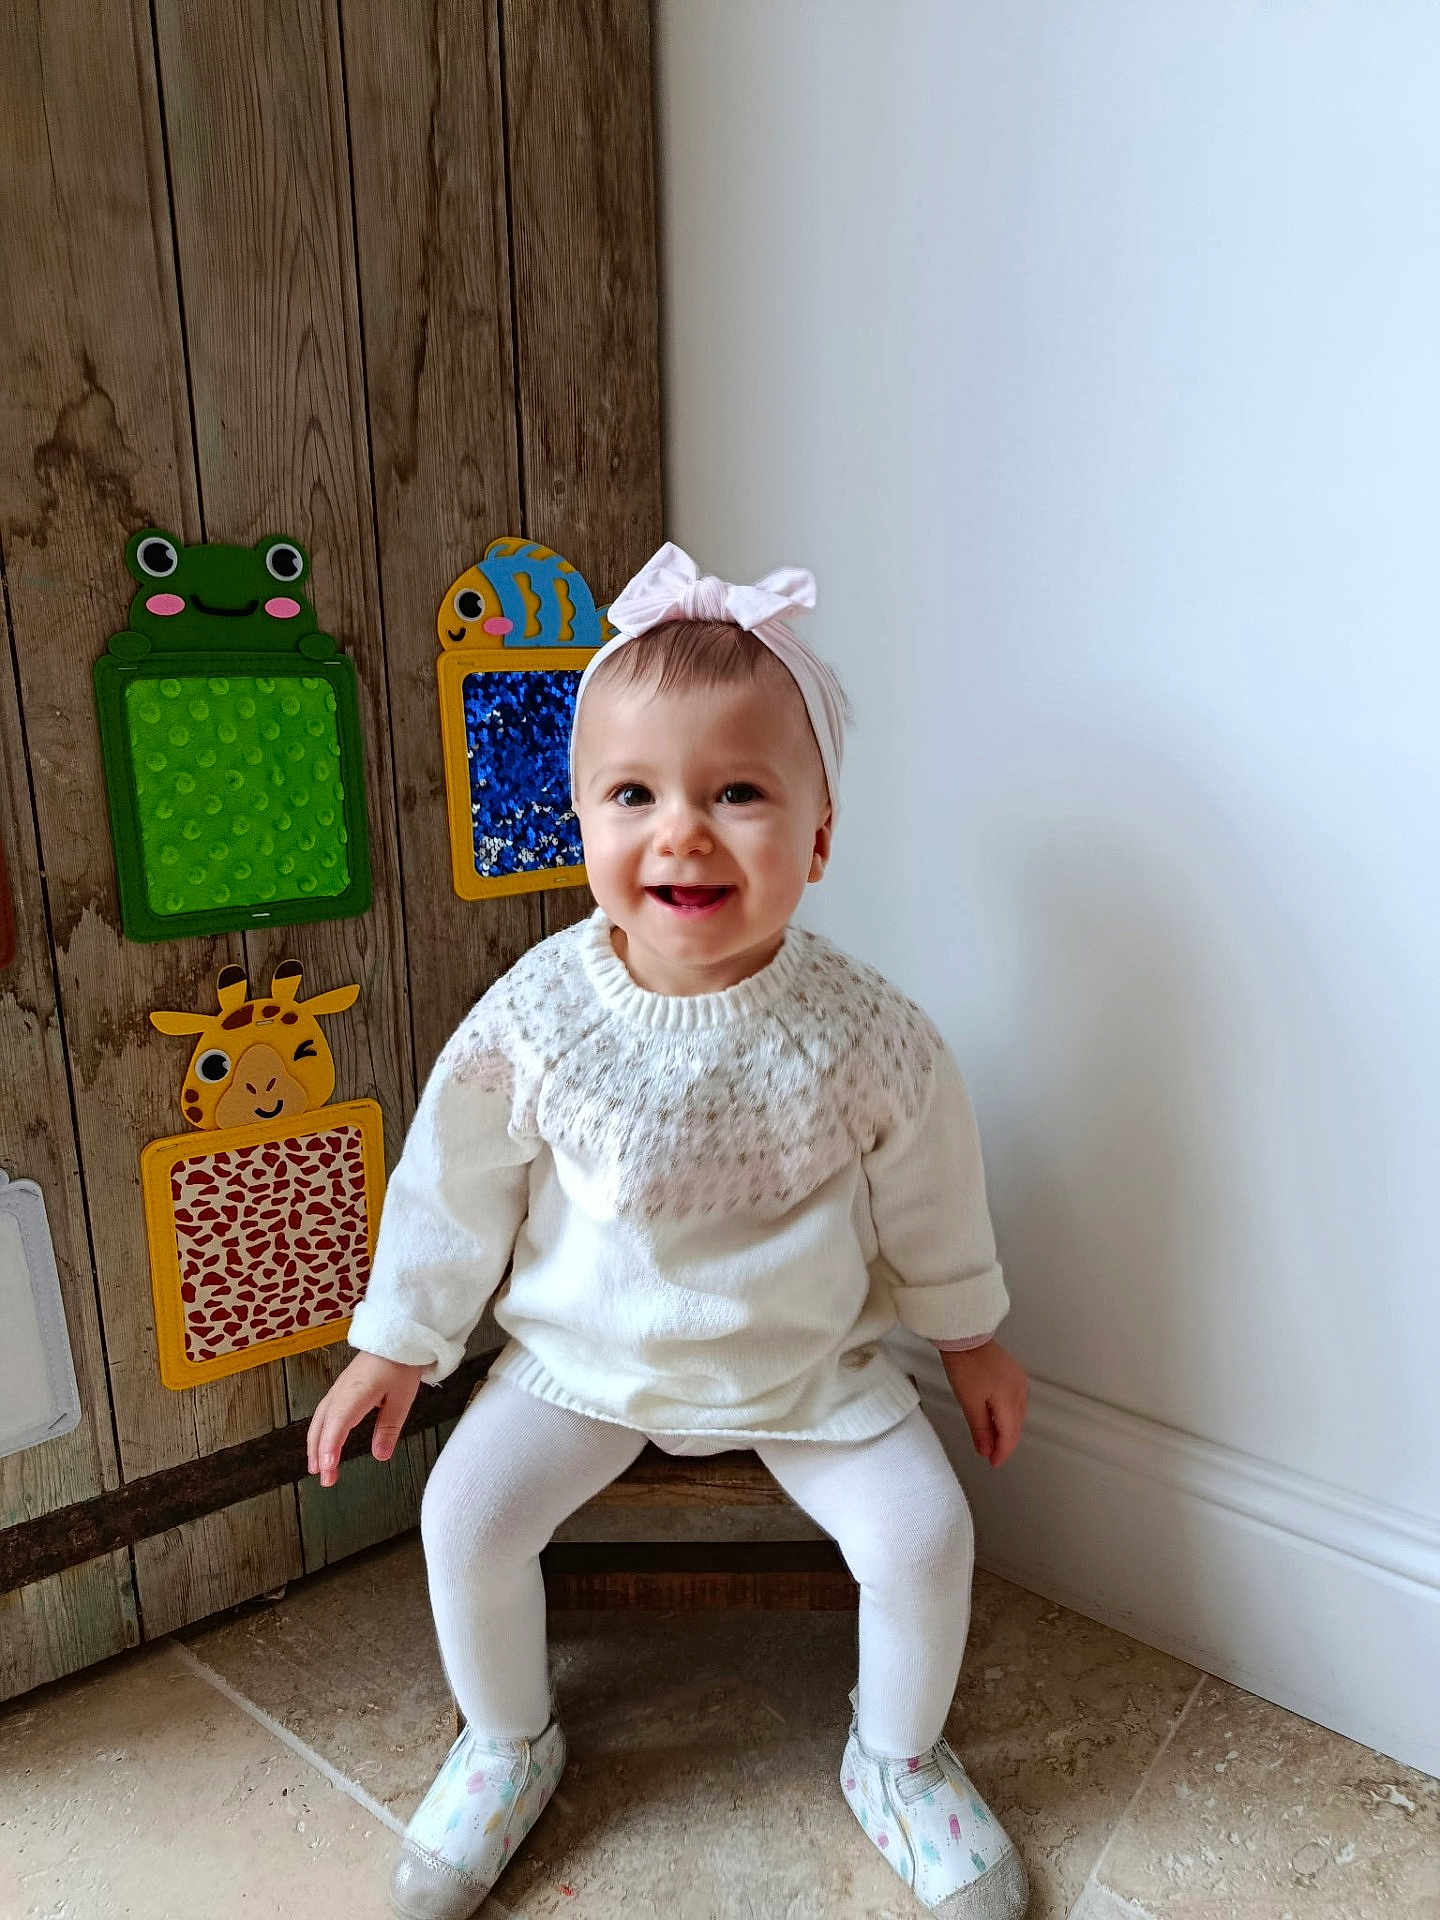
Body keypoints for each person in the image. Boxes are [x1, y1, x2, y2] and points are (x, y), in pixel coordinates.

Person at [307, 543, 1032, 1920]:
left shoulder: (868, 1032)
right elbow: (452, 1183)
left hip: (809, 1375)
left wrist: (974, 1336)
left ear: (818, 836)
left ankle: (899, 1760)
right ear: (582, 823)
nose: (683, 831)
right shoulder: (538, 1010)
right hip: (581, 1362)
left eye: (738, 793)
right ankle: (507, 1738)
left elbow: (935, 1190)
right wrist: (398, 1345)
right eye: (634, 793)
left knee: (928, 1539)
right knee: (463, 1513)